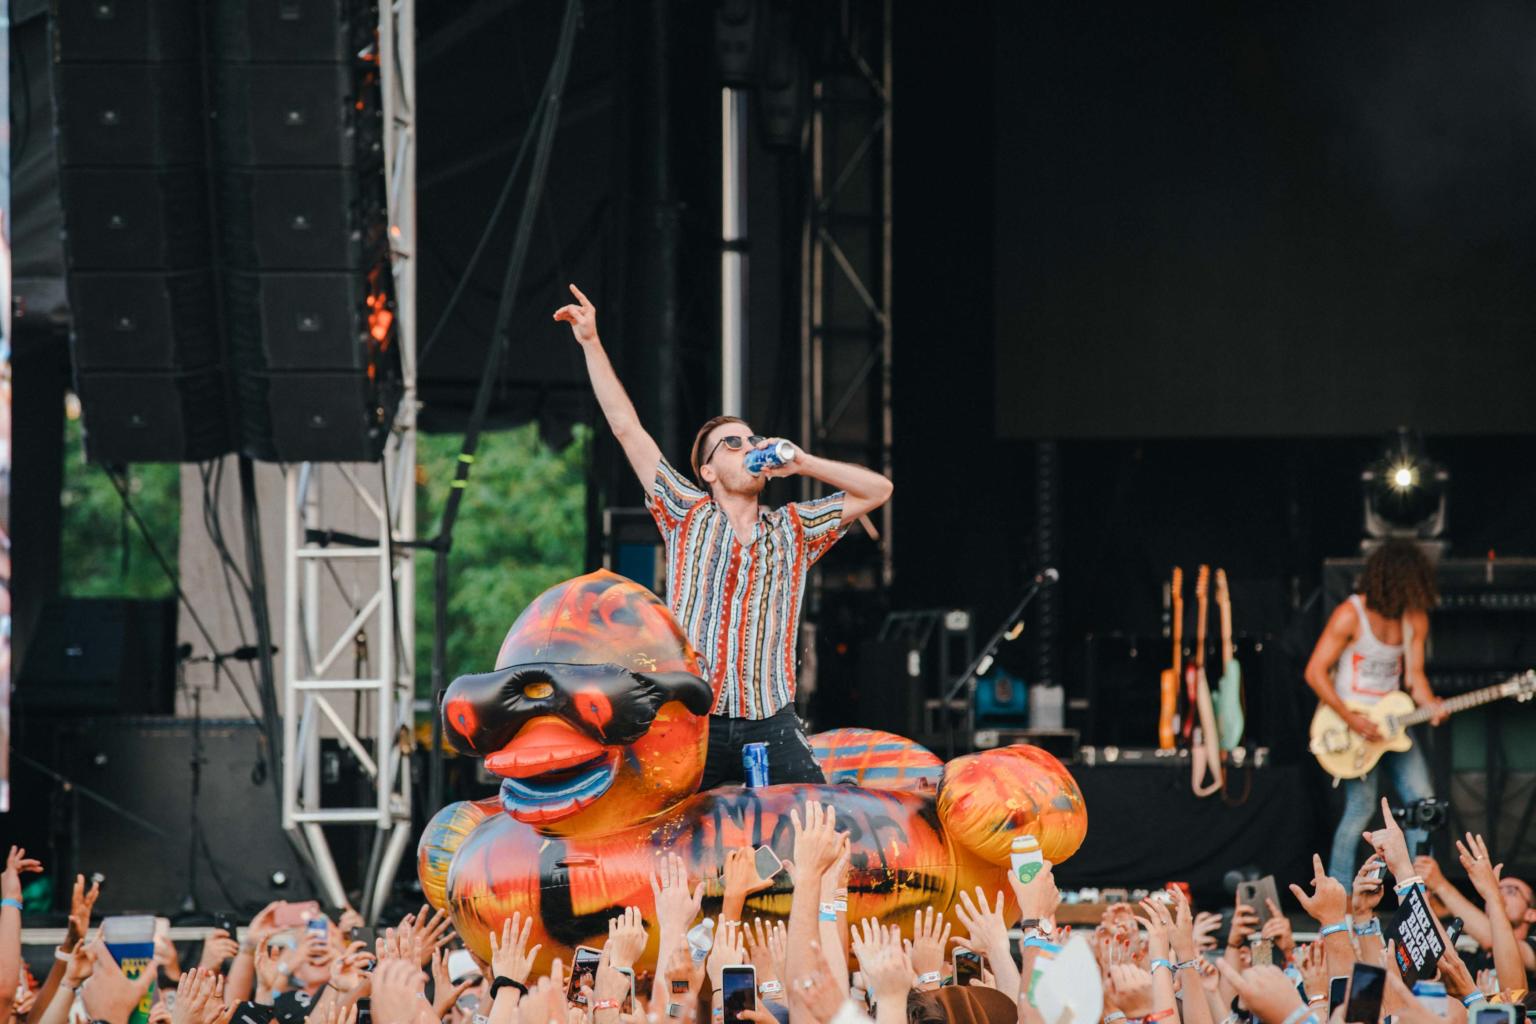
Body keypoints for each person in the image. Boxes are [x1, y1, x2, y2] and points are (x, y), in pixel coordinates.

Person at [554, 284, 893, 787]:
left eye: (752, 440)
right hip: (694, 719)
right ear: (709, 472)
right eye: (732, 444)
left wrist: (801, 461)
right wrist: (591, 341)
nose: (749, 447)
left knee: (813, 824)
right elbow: (627, 428)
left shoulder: (793, 529)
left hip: (770, 720)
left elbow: (877, 490)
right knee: (675, 841)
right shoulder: (687, 514)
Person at [1302, 538, 1445, 884]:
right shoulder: (1350, 614)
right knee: (1360, 810)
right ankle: (1338, 895)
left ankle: (1418, 892)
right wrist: (1353, 720)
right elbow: (1314, 672)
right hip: (1351, 724)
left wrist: (1431, 705)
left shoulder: (1414, 618)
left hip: (1392, 723)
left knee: (1422, 805)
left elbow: (1415, 677)